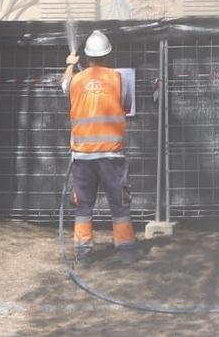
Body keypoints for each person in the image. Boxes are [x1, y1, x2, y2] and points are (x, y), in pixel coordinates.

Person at [62, 29, 138, 262]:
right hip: (112, 156)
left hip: (82, 158)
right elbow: (126, 105)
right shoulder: (118, 78)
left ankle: (83, 254)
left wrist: (69, 65)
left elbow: (64, 86)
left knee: (83, 207)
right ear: (108, 55)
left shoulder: (75, 79)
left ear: (86, 56)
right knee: (120, 206)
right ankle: (126, 252)